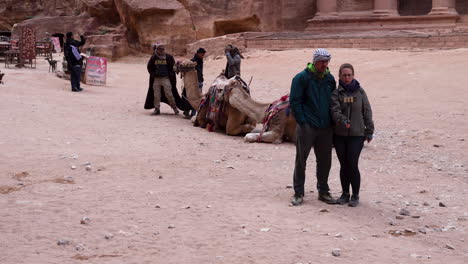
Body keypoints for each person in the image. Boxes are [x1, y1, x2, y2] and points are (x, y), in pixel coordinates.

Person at [290, 48, 337, 206]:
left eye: (327, 62)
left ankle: (323, 191)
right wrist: (303, 122)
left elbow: (333, 101)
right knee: (301, 160)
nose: (325, 64)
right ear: (315, 61)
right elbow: (295, 102)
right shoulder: (301, 78)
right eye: (322, 62)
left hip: (325, 126)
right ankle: (298, 192)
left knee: (325, 160)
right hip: (307, 126)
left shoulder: (329, 79)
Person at [330, 63, 374, 207]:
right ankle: (344, 194)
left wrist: (369, 130)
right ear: (340, 76)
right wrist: (342, 120)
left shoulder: (360, 92)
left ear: (353, 75)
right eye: (344, 75)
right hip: (340, 135)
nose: (347, 78)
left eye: (349, 75)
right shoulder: (336, 93)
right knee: (344, 165)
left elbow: (367, 111)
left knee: (352, 165)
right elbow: (335, 111)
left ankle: (355, 195)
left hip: (357, 134)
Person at [145, 43, 179, 115]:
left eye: (162, 49)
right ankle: (157, 109)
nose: (161, 50)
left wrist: (172, 74)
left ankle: (174, 108)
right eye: (159, 49)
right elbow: (149, 67)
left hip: (165, 78)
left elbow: (173, 67)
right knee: (156, 95)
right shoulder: (154, 57)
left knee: (169, 94)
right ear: (156, 49)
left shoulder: (169, 57)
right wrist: (153, 74)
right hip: (156, 79)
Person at [183, 47, 206, 118]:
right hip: (193, 83)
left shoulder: (200, 60)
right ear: (198, 54)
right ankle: (188, 112)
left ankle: (193, 113)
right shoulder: (192, 62)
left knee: (197, 98)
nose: (203, 56)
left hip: (199, 81)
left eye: (203, 55)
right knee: (193, 98)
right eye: (202, 54)